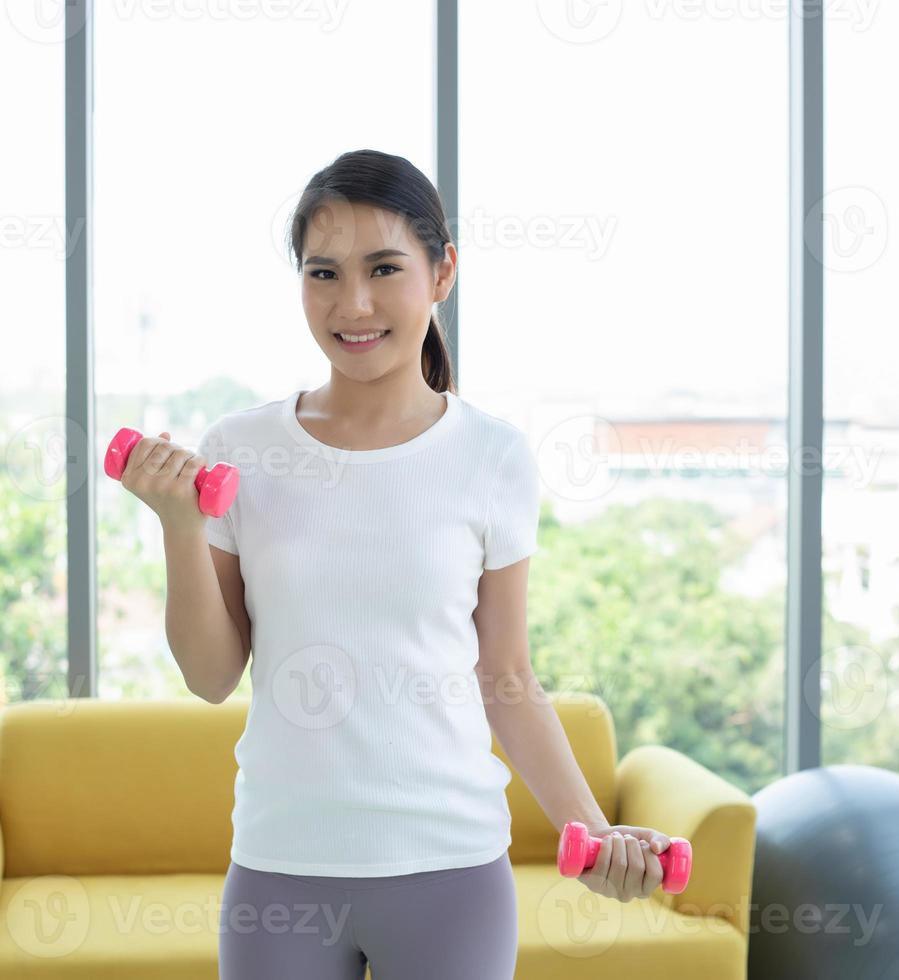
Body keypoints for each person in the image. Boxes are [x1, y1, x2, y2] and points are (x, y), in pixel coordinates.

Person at [118, 149, 672, 980]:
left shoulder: (491, 456)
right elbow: (210, 675)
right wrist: (175, 523)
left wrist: (588, 832)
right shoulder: (243, 449)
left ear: (443, 271)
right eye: (324, 274)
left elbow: (506, 676)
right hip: (283, 866)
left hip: (450, 871)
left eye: (384, 268)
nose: (355, 304)